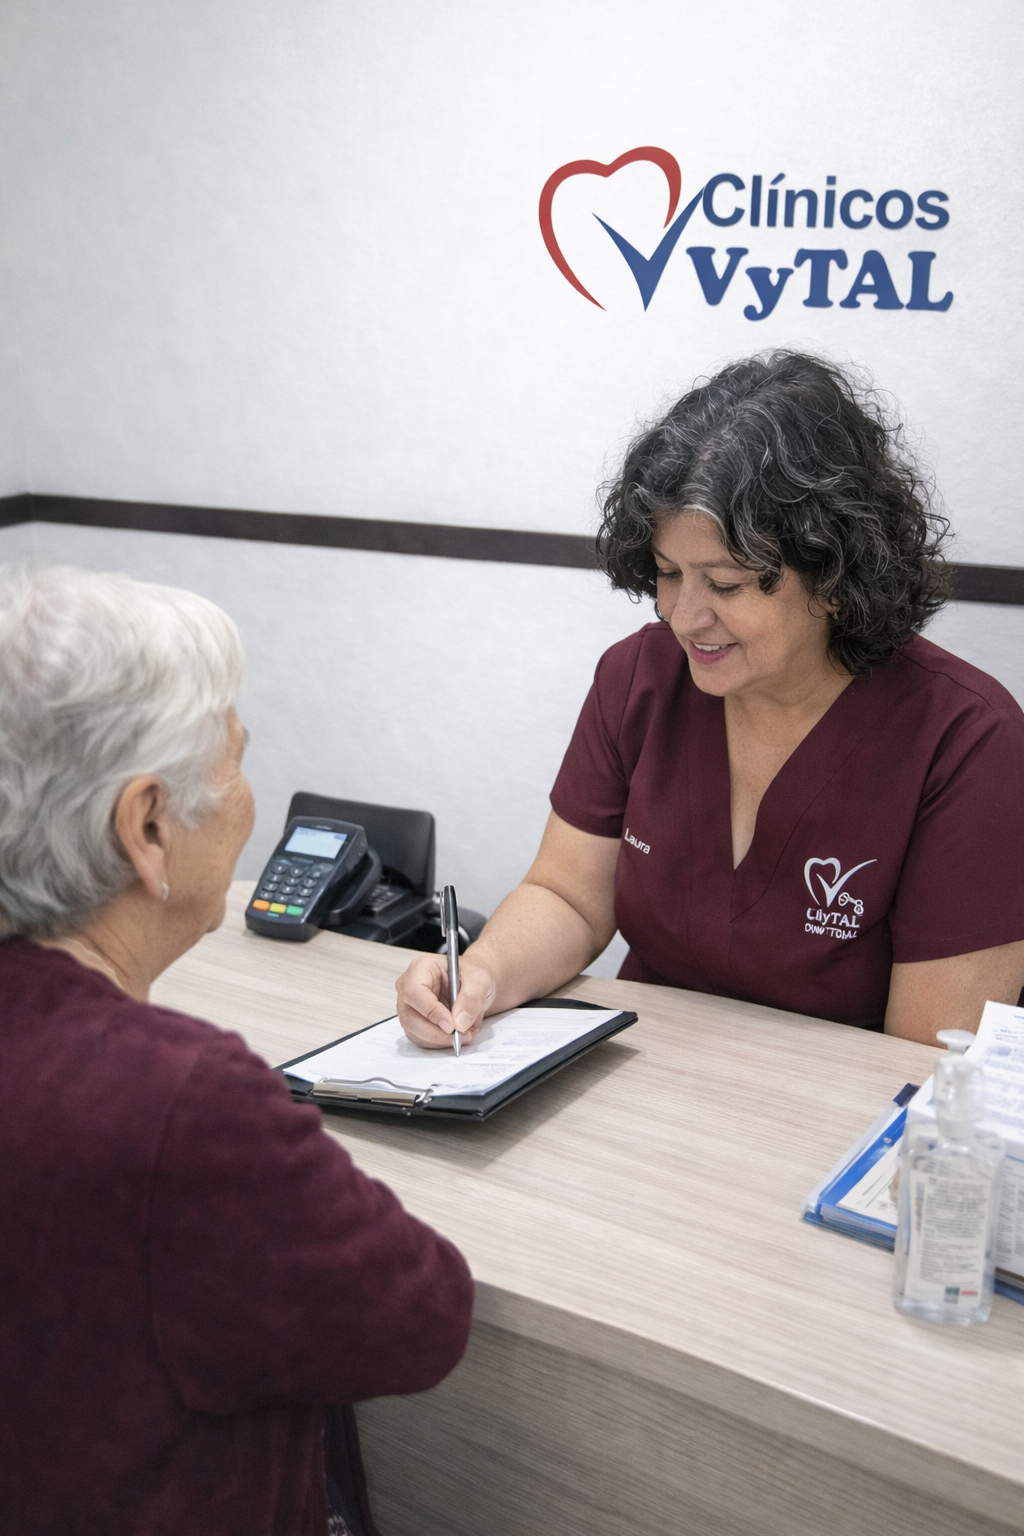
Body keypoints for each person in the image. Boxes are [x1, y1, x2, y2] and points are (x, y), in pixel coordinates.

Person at [0, 566, 473, 1536]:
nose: (248, 799)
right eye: (233, 763)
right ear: (146, 827)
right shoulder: (178, 1102)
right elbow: (422, 1320)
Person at [398, 351, 1024, 1047]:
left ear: (836, 574)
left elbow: (930, 1057)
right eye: (667, 574)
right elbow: (568, 899)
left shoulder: (968, 740)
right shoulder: (638, 678)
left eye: (724, 585)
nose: (683, 615)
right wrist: (480, 975)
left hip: (830, 1124)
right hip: (638, 1081)